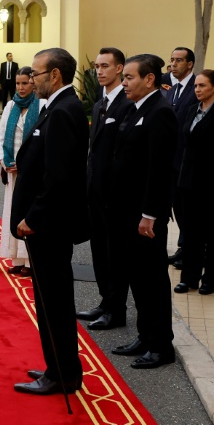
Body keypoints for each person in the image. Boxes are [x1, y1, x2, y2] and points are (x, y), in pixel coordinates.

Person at [10, 48, 88, 396]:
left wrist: (32, 217)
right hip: (48, 224)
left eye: (37, 74)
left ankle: (62, 374)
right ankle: (58, 364)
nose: (33, 79)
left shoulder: (61, 111)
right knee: (49, 300)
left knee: (54, 301)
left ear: (54, 75)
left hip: (49, 226)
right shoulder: (58, 107)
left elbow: (58, 176)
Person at [108, 54, 177, 369]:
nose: (124, 83)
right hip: (127, 211)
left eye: (130, 78)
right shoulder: (135, 108)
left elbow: (159, 169)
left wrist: (150, 214)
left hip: (144, 216)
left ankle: (161, 345)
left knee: (152, 280)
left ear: (149, 79)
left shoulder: (160, 112)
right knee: (137, 276)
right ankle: (144, 335)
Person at [78, 47, 135, 330]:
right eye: (96, 66)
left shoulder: (126, 104)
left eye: (105, 66)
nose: (99, 71)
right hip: (96, 193)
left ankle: (117, 310)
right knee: (99, 251)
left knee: (116, 255)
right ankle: (105, 301)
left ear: (119, 69)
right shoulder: (100, 104)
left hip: (115, 196)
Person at [174, 70, 214, 295]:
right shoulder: (192, 110)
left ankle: (210, 280)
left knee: (212, 233)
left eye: (202, 86)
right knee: (191, 232)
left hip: (213, 183)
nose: (197, 89)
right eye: (196, 86)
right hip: (189, 181)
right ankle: (188, 278)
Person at [0, 66, 44, 277]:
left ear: (33, 83)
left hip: (31, 172)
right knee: (12, 213)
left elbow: (40, 141)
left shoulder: (41, 105)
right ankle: (16, 257)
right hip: (13, 170)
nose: (21, 87)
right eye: (17, 83)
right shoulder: (10, 106)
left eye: (25, 83)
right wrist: (5, 162)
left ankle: (30, 261)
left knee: (27, 213)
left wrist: (26, 164)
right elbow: (2, 136)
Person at [167, 47, 198, 268]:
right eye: (172, 60)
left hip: (189, 161)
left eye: (179, 60)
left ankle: (193, 251)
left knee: (190, 210)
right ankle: (183, 246)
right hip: (172, 160)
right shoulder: (171, 90)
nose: (173, 64)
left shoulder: (196, 88)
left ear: (190, 64)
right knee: (178, 207)